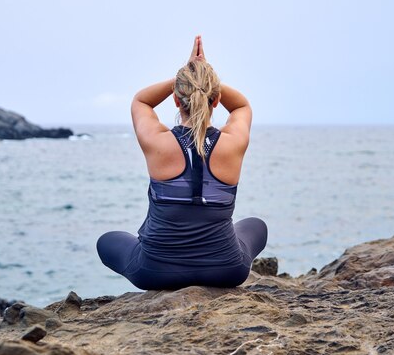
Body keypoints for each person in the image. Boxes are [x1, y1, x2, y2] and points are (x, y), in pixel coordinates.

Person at [97, 36, 267, 290]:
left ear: (177, 100)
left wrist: (183, 77)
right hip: (227, 270)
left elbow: (141, 101)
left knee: (107, 240)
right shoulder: (233, 143)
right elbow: (242, 105)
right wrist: (206, 79)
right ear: (217, 99)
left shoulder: (157, 141)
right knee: (256, 225)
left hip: (155, 272)